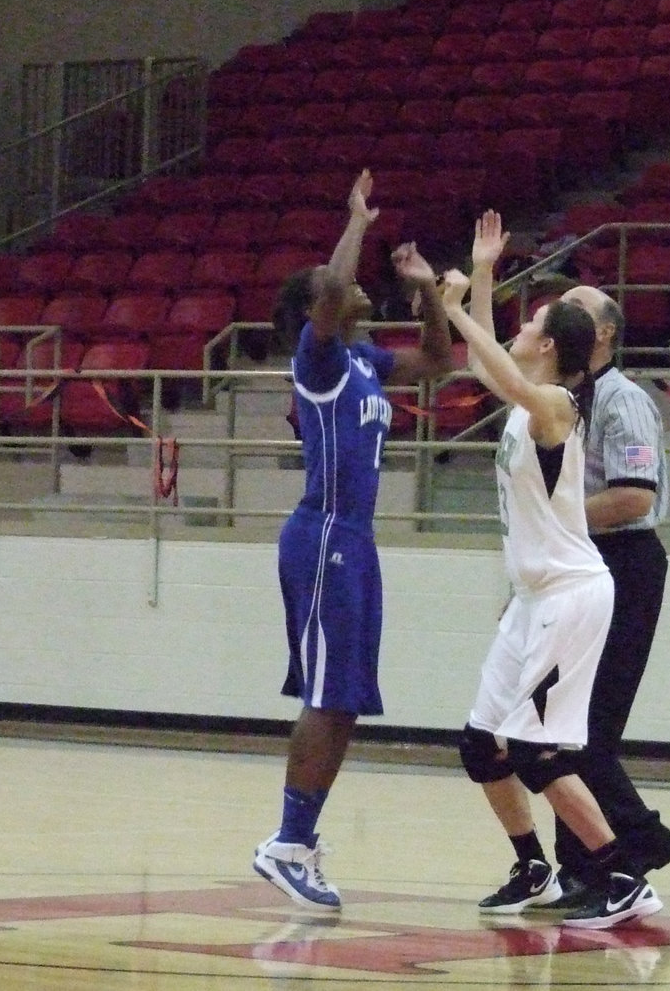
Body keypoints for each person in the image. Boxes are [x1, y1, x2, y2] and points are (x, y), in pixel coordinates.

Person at [440, 210, 663, 931]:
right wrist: (479, 275)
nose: (518, 329)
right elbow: (484, 365)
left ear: (547, 348)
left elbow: (498, 367)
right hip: (533, 597)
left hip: (573, 596)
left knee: (541, 751)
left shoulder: (558, 405)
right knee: (483, 743)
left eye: (529, 324)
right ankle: (533, 864)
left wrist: (455, 308)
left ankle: (623, 875)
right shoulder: (521, 399)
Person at [253, 169, 455, 912]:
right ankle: (284, 842)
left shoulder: (366, 363)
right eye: (332, 289)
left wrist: (427, 290)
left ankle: (298, 842)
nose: (351, 289)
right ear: (315, 311)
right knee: (323, 694)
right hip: (322, 535)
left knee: (344, 700)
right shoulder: (319, 360)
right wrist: (358, 223)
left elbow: (437, 361)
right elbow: (336, 294)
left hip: (357, 541)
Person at [544, 284, 670, 904]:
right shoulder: (556, 396)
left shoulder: (624, 402)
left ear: (601, 332)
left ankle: (637, 843)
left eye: (573, 308)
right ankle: (581, 868)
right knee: (556, 723)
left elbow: (634, 496)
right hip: (575, 564)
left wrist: (551, 519)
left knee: (589, 729)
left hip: (623, 562)